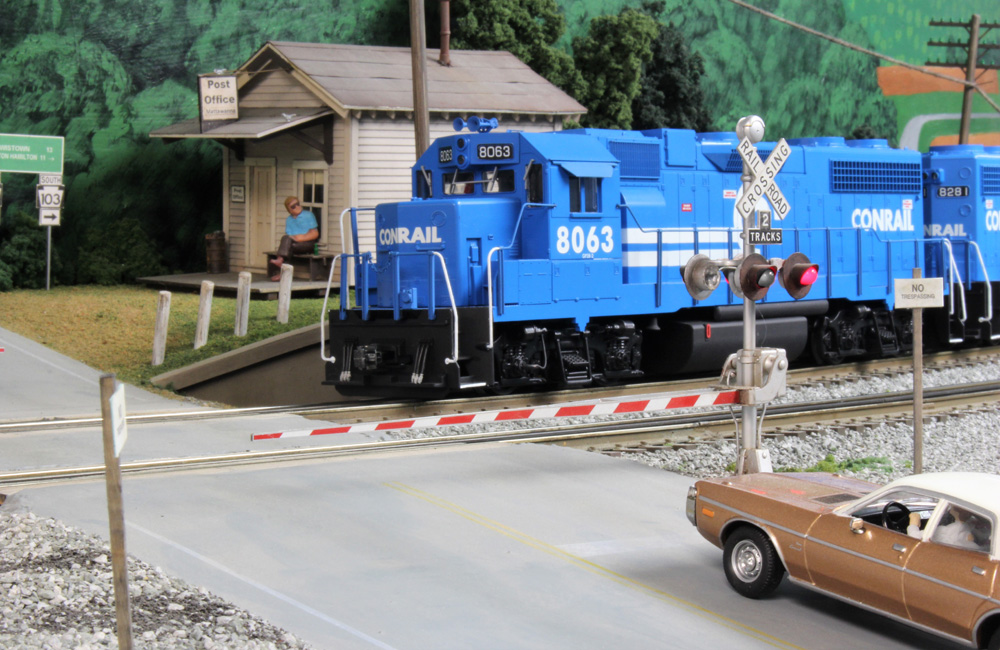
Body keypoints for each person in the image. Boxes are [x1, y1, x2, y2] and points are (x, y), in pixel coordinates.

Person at [271, 196, 319, 281]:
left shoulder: (308, 215)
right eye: (293, 206)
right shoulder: (289, 219)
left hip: (308, 244)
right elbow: (289, 235)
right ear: (289, 210)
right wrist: (295, 238)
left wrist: (302, 238)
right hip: (294, 244)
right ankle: (282, 265)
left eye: (298, 204)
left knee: (288, 246)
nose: (297, 207)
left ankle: (281, 264)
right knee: (287, 241)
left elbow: (315, 233)